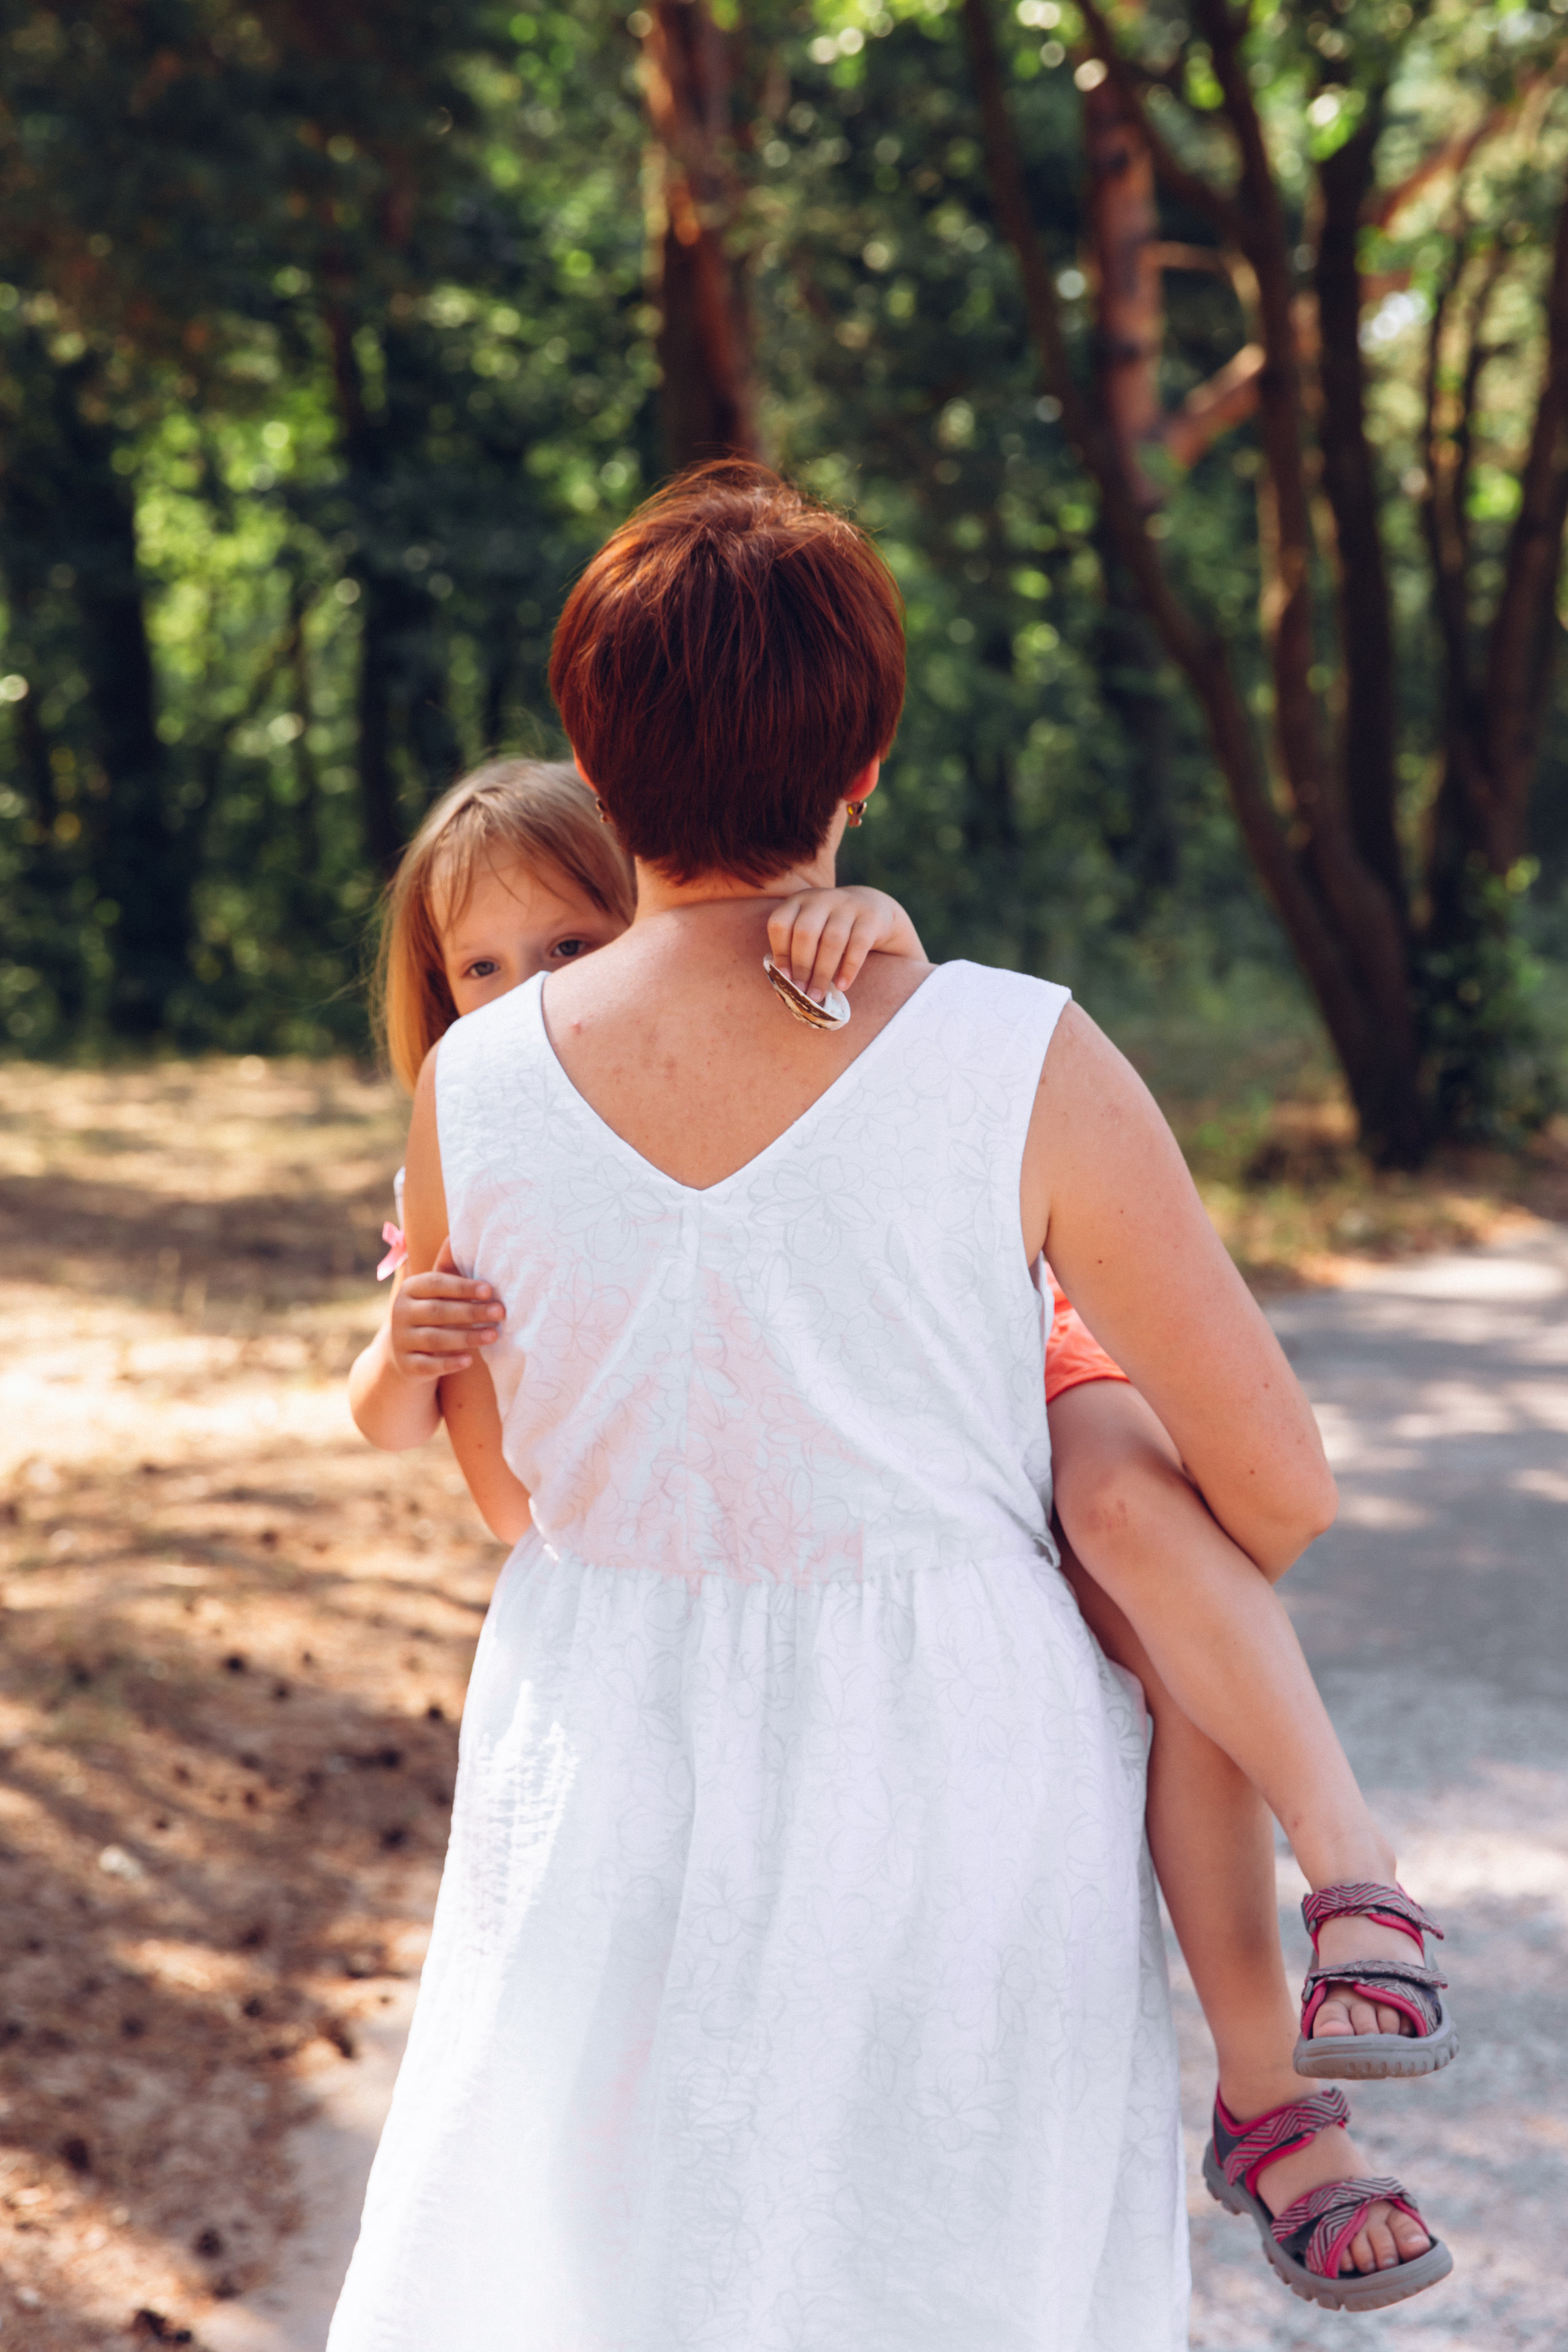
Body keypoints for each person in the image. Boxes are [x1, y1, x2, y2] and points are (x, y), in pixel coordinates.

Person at [336, 463, 1447, 2348]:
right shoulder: (1019, 1050)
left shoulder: (473, 1088)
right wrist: (1092, 1527)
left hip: (601, 1761)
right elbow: (1287, 1491)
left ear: (600, 777)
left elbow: (515, 1499)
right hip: (955, 1767)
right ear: (864, 766)